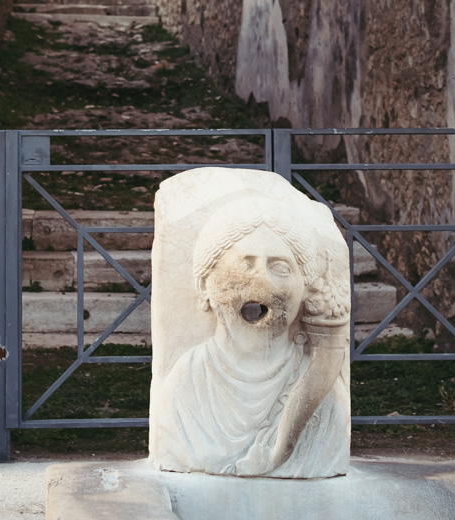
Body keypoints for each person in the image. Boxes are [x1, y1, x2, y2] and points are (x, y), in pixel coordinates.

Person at [150, 191, 350, 478]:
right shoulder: (185, 386)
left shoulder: (325, 393)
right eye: (245, 264)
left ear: (304, 288)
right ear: (206, 283)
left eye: (280, 267)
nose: (262, 280)